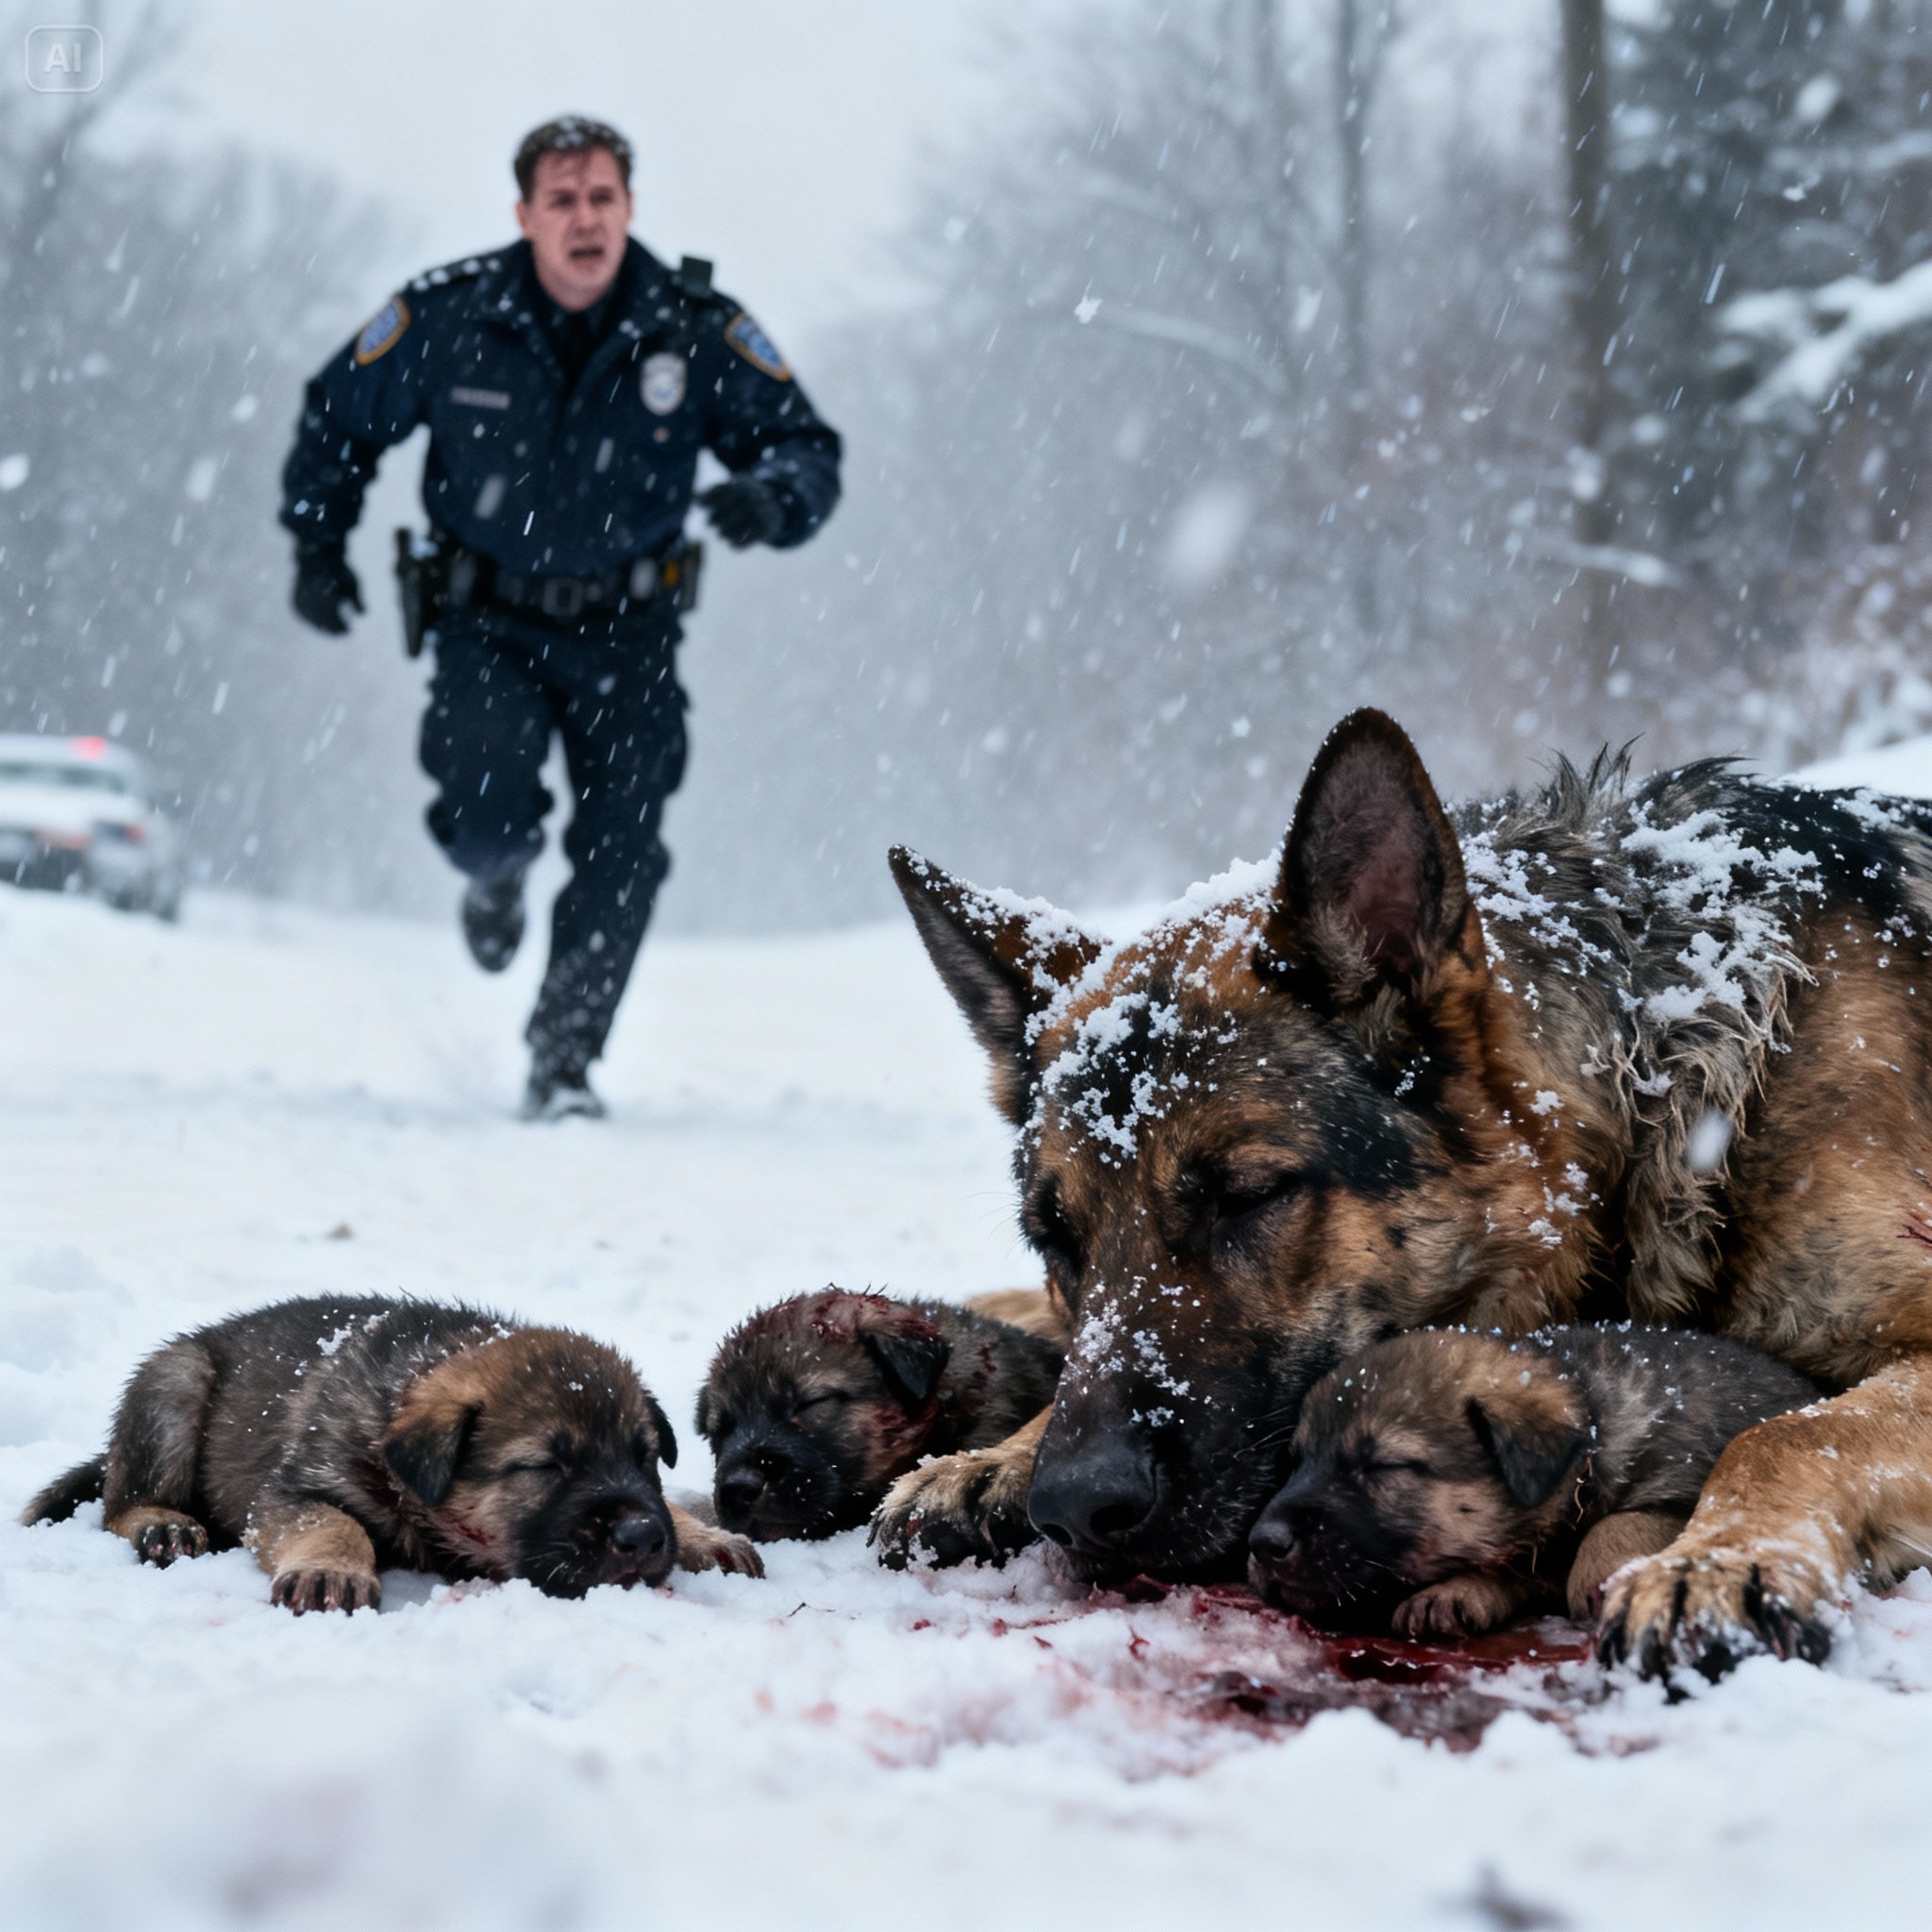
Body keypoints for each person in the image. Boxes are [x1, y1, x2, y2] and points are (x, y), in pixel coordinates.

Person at [280, 115, 841, 1118]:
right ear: (524, 214)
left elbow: (803, 445)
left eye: (601, 199)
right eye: (562, 200)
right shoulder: (450, 316)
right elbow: (338, 417)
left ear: (628, 207)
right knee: (487, 814)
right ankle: (493, 878)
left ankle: (563, 1059)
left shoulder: (692, 325)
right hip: (485, 621)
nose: (584, 220)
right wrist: (317, 545)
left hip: (630, 632)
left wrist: (773, 498)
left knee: (625, 847)